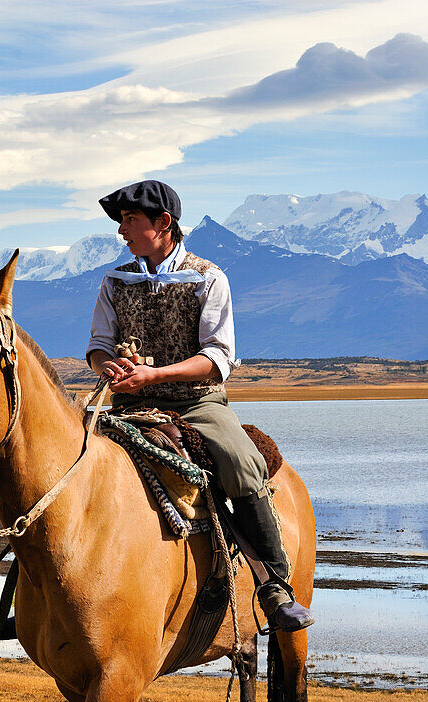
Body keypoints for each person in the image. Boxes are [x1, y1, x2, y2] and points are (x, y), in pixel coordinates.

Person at [86, 179, 314, 632]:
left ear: (163, 223)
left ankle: (273, 584)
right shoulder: (115, 281)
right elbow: (96, 345)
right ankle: (33, 593)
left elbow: (216, 358)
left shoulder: (208, 278)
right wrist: (108, 366)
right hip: (129, 402)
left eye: (130, 221)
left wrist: (155, 374)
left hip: (196, 405)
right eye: (121, 222)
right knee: (64, 461)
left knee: (240, 461)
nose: (122, 231)